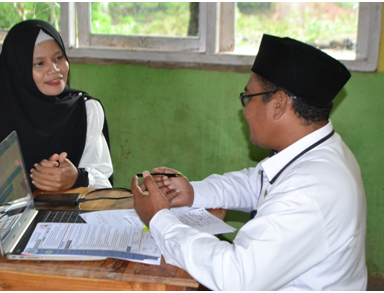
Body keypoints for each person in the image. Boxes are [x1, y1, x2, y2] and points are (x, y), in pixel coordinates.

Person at [131, 34, 367, 290]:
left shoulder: (311, 190)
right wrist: (192, 192)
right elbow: (257, 184)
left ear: (278, 105)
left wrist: (159, 219)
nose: (244, 110)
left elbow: (235, 277)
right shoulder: (318, 150)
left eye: (248, 97)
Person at [0, 20, 113, 242]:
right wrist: (31, 184)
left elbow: (104, 181)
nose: (55, 70)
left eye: (59, 58)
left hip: (70, 224)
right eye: (39, 64)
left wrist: (77, 176)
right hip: (3, 230)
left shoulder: (84, 111)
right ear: (18, 69)